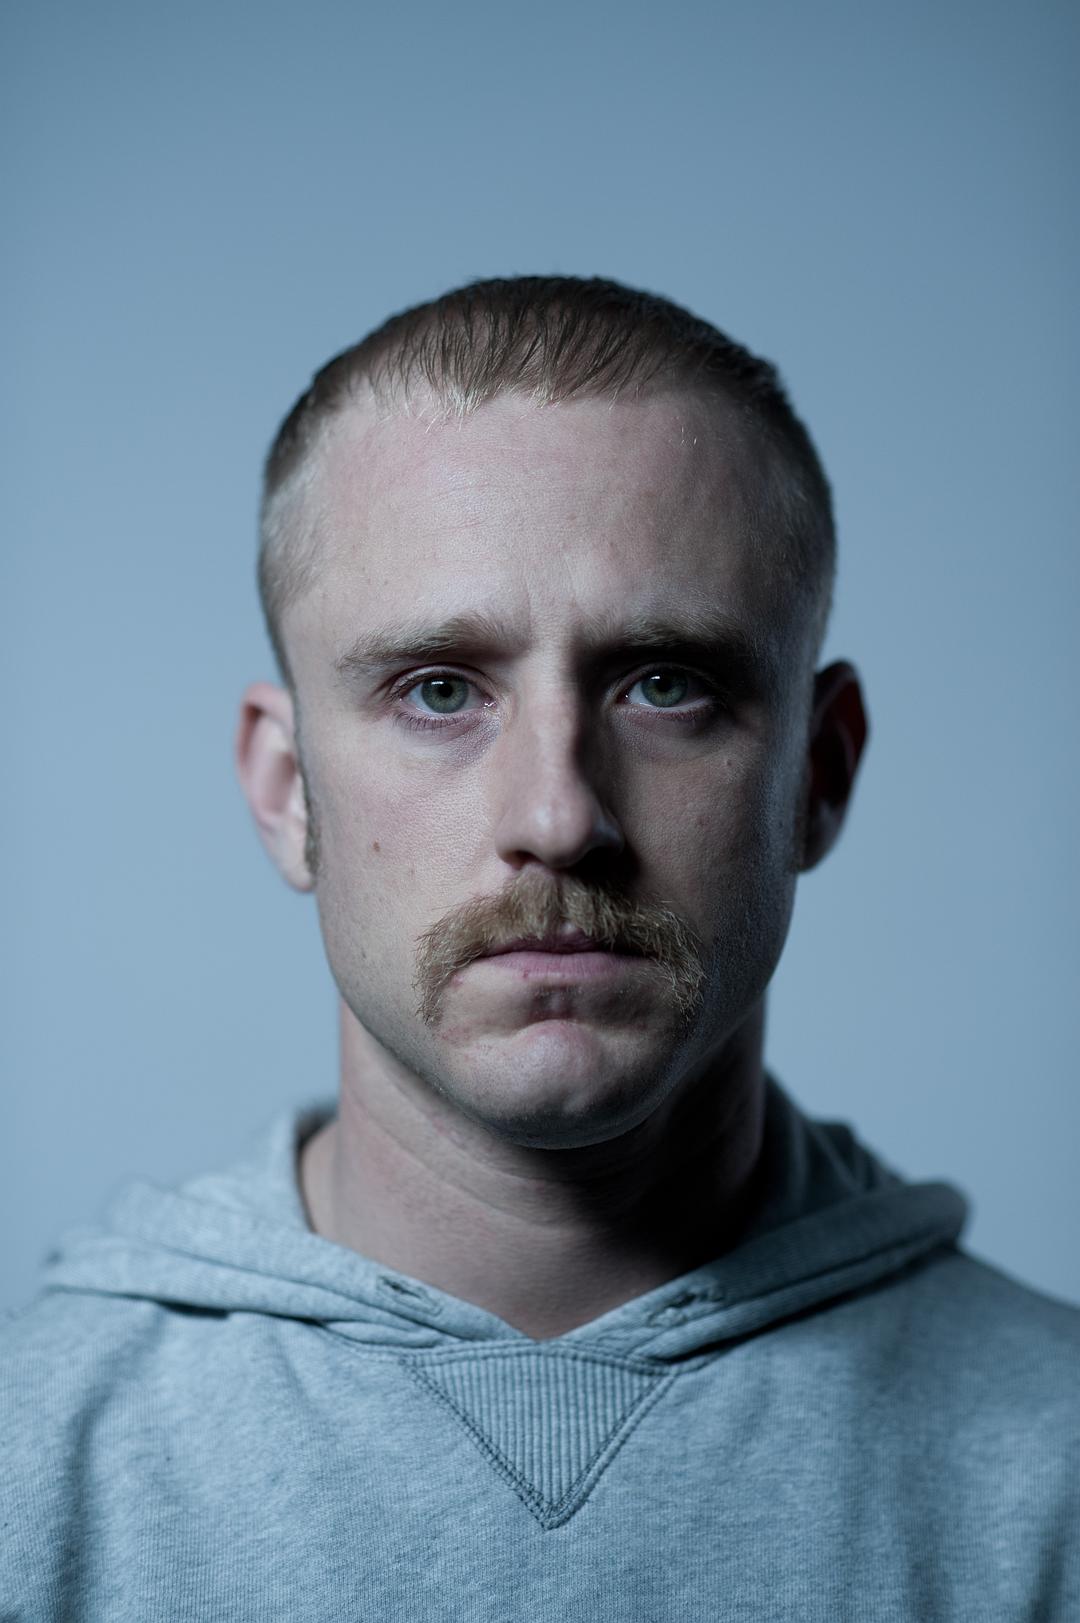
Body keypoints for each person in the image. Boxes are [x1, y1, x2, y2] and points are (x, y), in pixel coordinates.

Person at [2, 276, 1076, 1621]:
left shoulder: (1055, 1479)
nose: (559, 818)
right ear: (286, 792)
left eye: (665, 685)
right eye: (439, 690)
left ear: (820, 773)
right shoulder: (27, 1485)